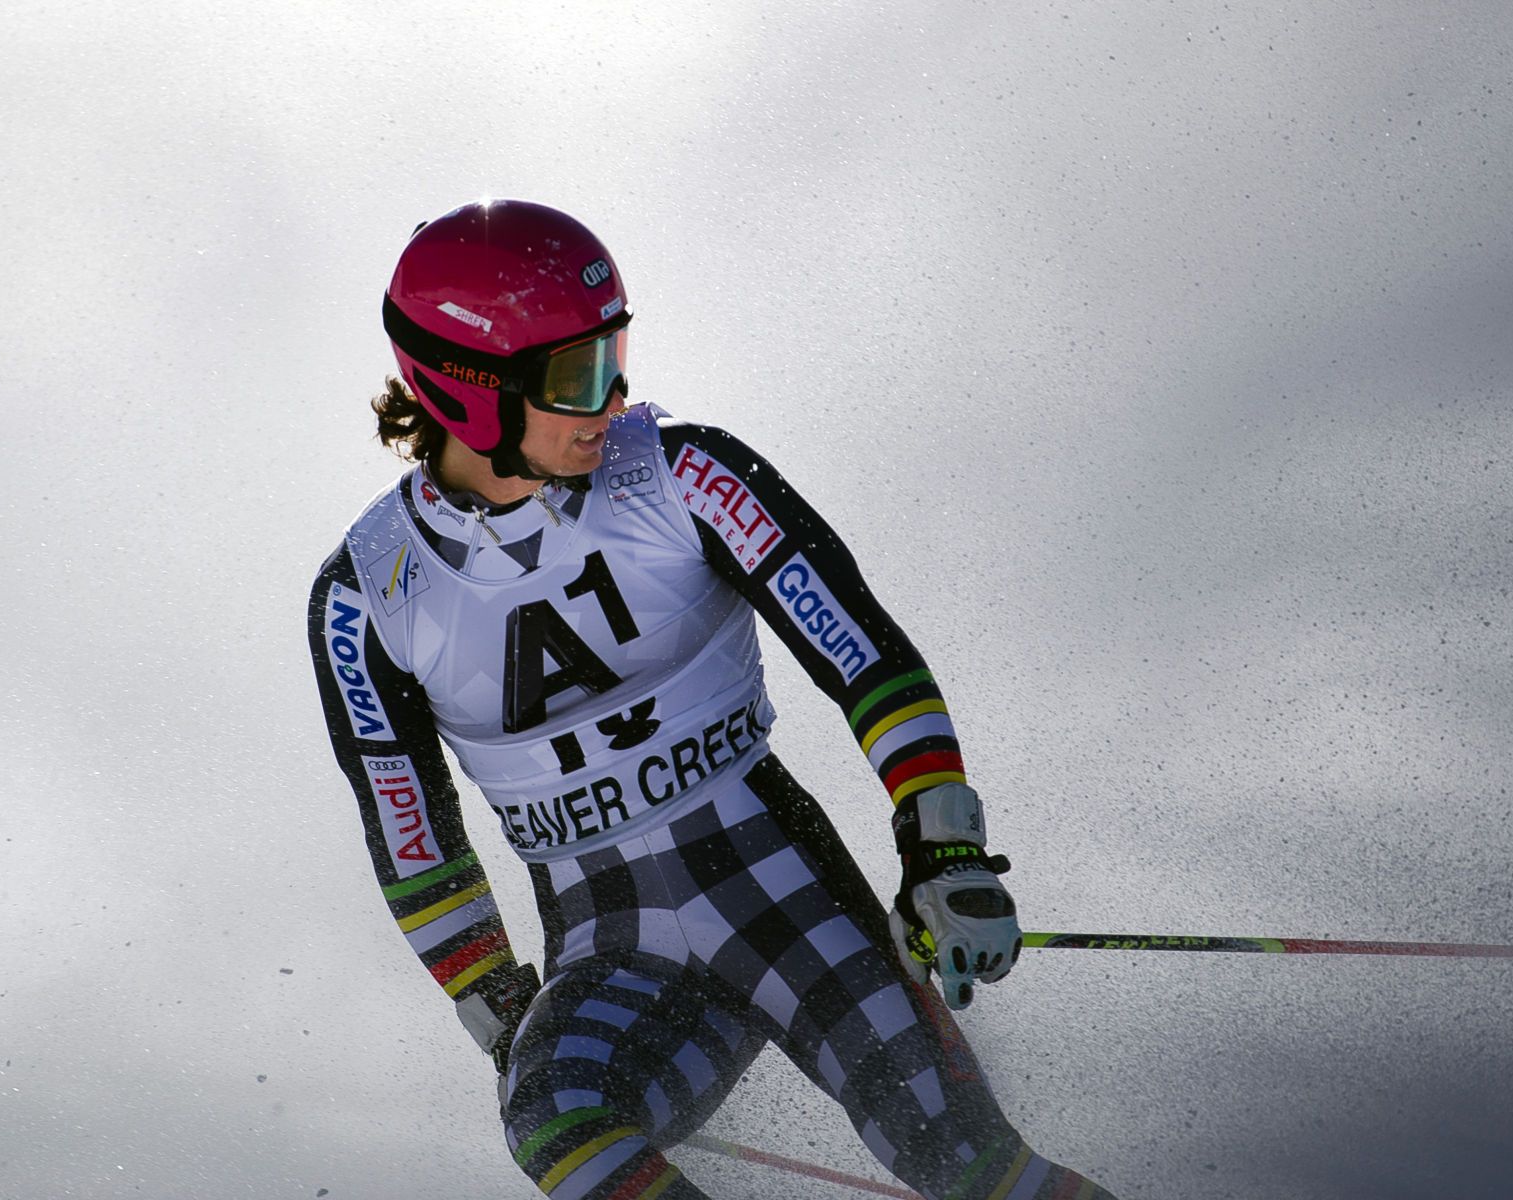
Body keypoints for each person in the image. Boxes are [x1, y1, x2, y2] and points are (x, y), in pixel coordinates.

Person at [307, 200, 1115, 1200]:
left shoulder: (684, 472)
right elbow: (413, 833)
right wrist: (491, 997)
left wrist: (942, 846)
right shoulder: (365, 595)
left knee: (967, 1167)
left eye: (615, 352)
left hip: (786, 898)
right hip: (616, 951)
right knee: (554, 1123)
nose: (612, 396)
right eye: (575, 375)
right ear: (468, 391)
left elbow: (866, 659)